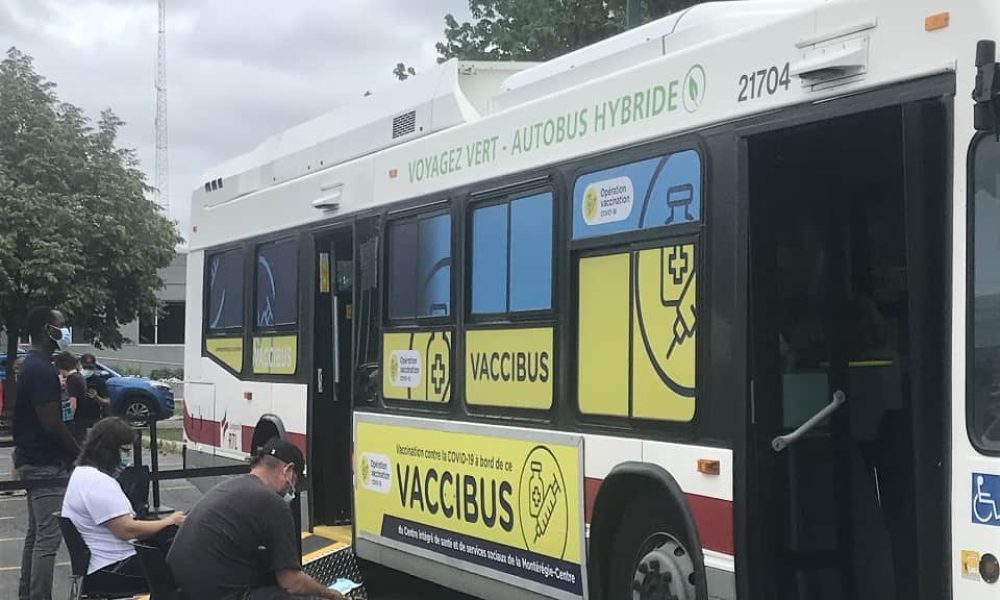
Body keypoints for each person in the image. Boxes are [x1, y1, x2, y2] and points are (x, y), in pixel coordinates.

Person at [168, 438, 345, 600]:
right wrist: (329, 594)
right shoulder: (273, 502)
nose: (291, 491)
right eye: (295, 483)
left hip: (182, 586)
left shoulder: (233, 486)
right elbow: (292, 582)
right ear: (288, 470)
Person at [61, 417, 184, 594]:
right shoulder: (98, 483)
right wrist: (170, 521)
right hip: (115, 568)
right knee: (187, 567)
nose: (127, 457)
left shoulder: (81, 474)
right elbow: (126, 530)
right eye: (125, 450)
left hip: (102, 566)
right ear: (108, 450)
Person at [12, 306, 80, 600]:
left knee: (36, 534)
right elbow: (52, 423)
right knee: (48, 540)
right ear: (47, 330)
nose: (65, 331)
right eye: (61, 326)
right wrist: (80, 453)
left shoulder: (37, 365)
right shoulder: (40, 369)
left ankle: (27, 594)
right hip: (44, 463)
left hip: (33, 459)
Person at [54, 352, 86, 440]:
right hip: (82, 420)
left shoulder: (72, 379)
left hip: (74, 423)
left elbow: (73, 405)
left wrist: (65, 423)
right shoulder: (79, 376)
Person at [79, 353, 110, 418]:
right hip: (77, 417)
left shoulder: (99, 381)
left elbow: (107, 402)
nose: (87, 370)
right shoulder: (75, 379)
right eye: (85, 367)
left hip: (93, 417)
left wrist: (96, 397)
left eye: (90, 368)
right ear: (80, 365)